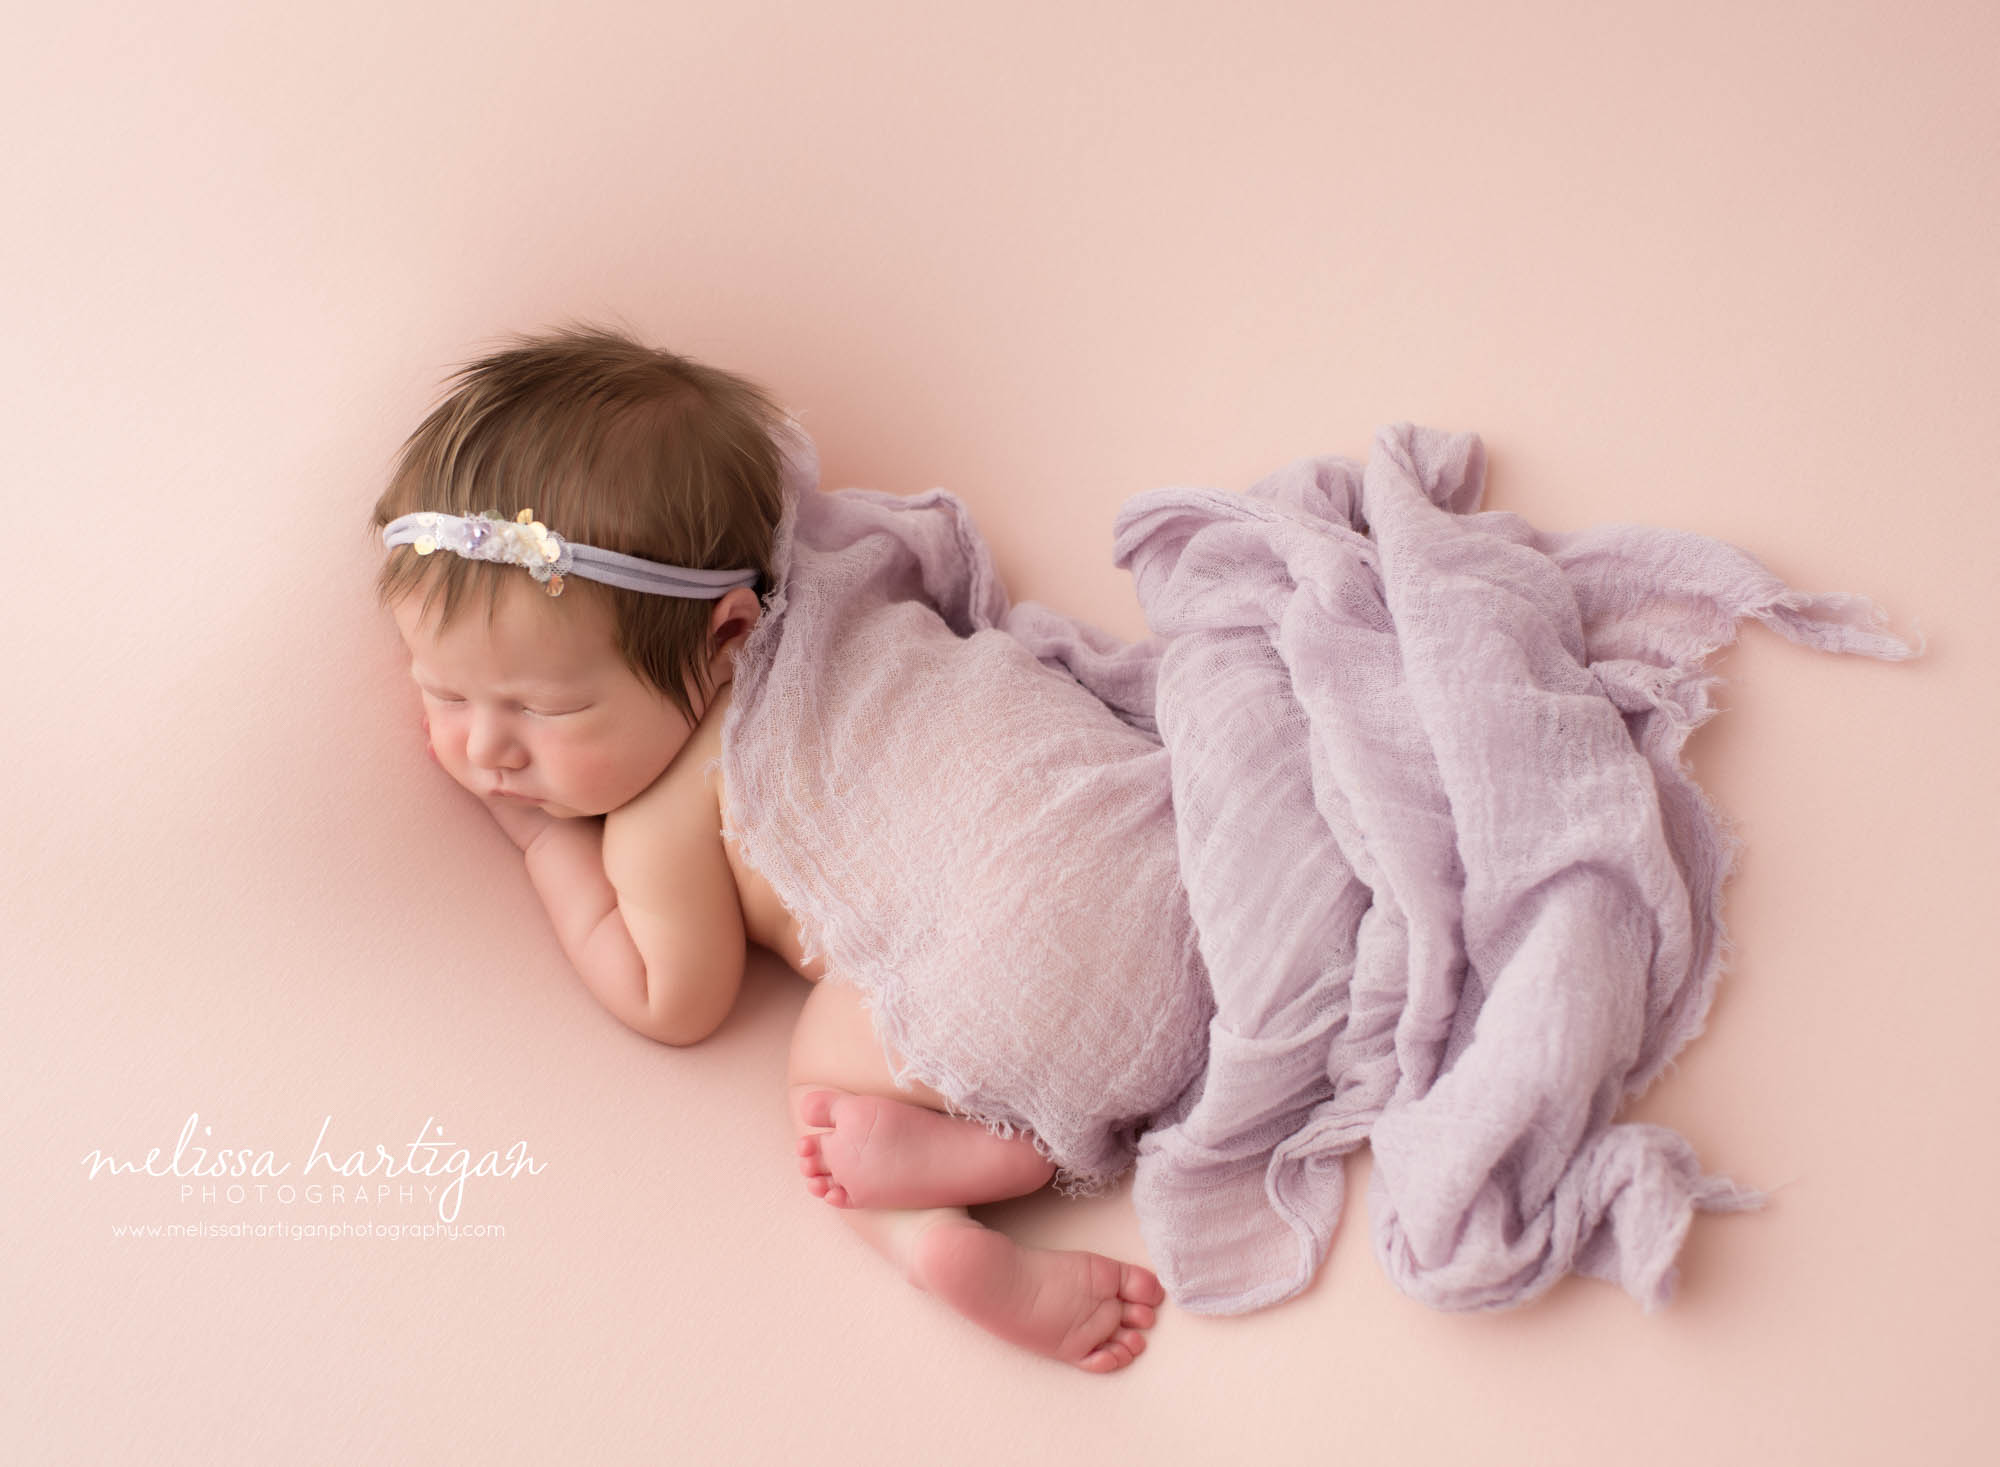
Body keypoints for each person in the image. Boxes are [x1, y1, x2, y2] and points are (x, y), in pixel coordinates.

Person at [370, 324, 1164, 1372]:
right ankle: (1008, 1140)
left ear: (729, 636)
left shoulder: (669, 814)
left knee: (822, 1092)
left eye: (543, 710)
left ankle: (943, 1215)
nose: (485, 748)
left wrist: (536, 845)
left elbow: (671, 1002)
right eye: (445, 693)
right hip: (1153, 847)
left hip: (1030, 973)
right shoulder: (852, 590)